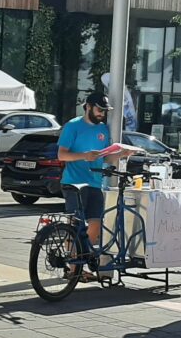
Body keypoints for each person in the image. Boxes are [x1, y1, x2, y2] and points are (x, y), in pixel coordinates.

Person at [57, 92, 134, 256]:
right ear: (88, 107)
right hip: (74, 182)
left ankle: (81, 256)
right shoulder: (73, 126)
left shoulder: (103, 129)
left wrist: (122, 154)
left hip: (95, 182)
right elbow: (62, 155)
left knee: (96, 223)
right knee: (75, 224)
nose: (102, 114)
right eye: (99, 110)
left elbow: (105, 158)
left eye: (104, 111)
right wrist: (84, 156)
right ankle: (72, 264)